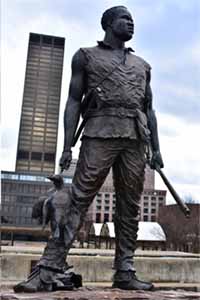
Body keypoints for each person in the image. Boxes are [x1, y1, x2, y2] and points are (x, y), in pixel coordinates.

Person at [59, 5, 163, 291]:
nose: (130, 24)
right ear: (108, 23)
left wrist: (156, 149)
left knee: (130, 206)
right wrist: (67, 145)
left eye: (133, 20)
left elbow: (149, 109)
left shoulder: (143, 65)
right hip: (99, 131)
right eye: (124, 19)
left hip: (135, 137)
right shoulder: (86, 56)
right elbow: (72, 102)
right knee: (79, 198)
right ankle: (50, 265)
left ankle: (125, 270)